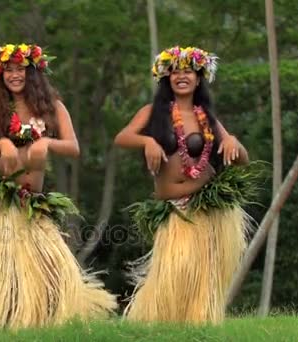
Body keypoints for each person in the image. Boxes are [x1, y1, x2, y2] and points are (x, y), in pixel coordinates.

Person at [0, 43, 117, 330]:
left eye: (19, 68)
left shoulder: (52, 107)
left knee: (52, 269)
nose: (14, 75)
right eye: (8, 70)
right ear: (0, 75)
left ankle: (47, 315)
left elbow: (72, 147)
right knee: (9, 271)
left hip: (32, 201)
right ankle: (12, 318)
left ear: (32, 71)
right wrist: (2, 143)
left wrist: (47, 141)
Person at [114, 46, 255, 324]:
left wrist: (231, 141)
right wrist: (148, 141)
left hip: (206, 209)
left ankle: (200, 324)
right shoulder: (152, 112)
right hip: (174, 211)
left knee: (202, 279)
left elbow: (242, 160)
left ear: (199, 78)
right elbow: (122, 137)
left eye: (188, 71)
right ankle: (163, 322)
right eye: (175, 71)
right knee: (172, 274)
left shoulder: (207, 118)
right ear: (166, 78)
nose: (181, 76)